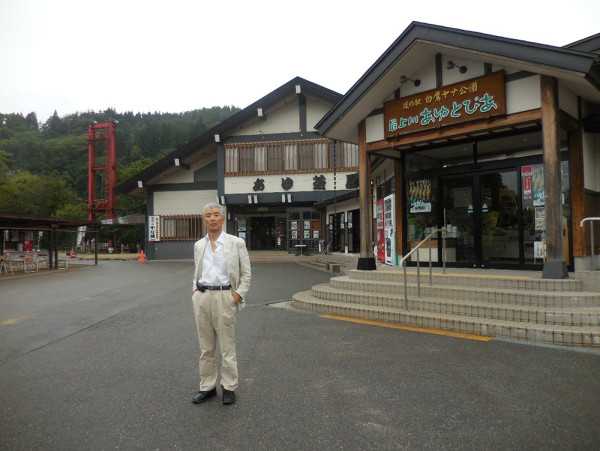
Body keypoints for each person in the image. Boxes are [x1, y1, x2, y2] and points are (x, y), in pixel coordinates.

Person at [191, 203, 251, 406]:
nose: (213, 218)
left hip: (225, 296)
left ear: (223, 219)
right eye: (208, 215)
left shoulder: (236, 243)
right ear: (204, 220)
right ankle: (207, 386)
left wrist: (237, 295)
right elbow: (196, 272)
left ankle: (229, 387)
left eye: (216, 215)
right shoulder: (199, 245)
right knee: (205, 347)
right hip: (202, 296)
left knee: (227, 346)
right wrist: (194, 291)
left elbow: (246, 275)